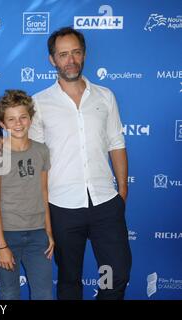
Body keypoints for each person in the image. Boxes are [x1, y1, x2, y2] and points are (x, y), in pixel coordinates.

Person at [29, 26, 132, 300]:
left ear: (84, 54)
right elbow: (36, 161)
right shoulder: (39, 103)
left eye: (75, 52)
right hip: (62, 207)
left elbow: (117, 145)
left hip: (105, 205)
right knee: (69, 280)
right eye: (63, 54)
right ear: (53, 60)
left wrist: (121, 193)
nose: (70, 60)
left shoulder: (105, 96)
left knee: (114, 275)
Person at [0, 90, 54, 300]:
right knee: (9, 294)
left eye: (23, 117)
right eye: (11, 119)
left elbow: (44, 192)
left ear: (31, 119)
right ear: (2, 123)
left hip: (37, 235)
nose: (18, 123)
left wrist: (48, 232)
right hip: (7, 234)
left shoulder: (42, 151)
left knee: (43, 294)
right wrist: (1, 245)